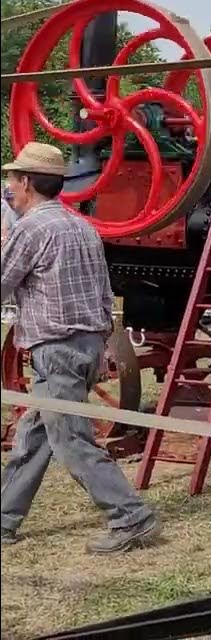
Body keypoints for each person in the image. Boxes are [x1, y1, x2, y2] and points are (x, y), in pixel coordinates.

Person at [0, 142, 160, 552]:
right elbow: (106, 293)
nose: (8, 189)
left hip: (56, 351)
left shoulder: (31, 229)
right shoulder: (82, 227)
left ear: (27, 183)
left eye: (12, 180)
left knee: (72, 441)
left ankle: (131, 518)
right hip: (85, 347)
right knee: (33, 439)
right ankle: (3, 518)